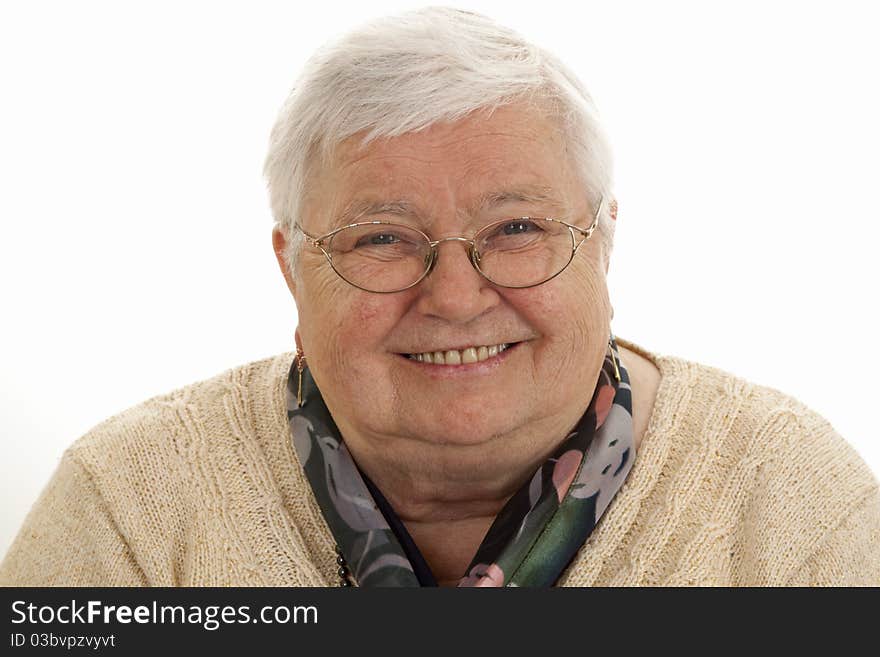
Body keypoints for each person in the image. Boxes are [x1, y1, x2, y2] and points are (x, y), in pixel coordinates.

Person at [2, 7, 878, 587]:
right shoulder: (131, 506)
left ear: (603, 243)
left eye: (517, 229)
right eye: (382, 238)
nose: (456, 297)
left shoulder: (786, 494)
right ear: (288, 268)